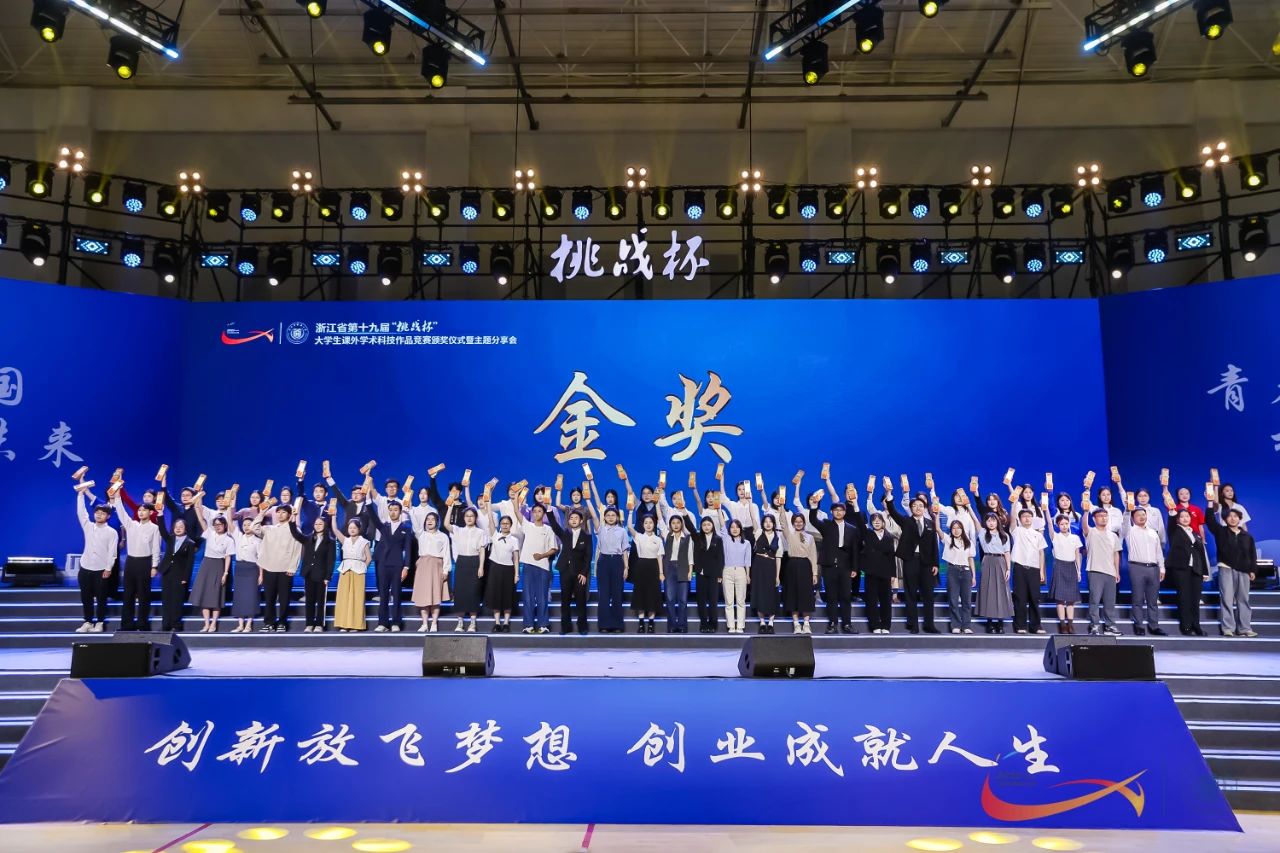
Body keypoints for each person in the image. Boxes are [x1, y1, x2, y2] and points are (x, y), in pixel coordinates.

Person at [883, 487, 939, 634]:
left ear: (925, 508)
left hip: (927, 563)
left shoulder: (930, 523)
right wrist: (889, 494)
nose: (918, 508)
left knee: (928, 595)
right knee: (910, 594)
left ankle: (929, 625)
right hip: (911, 561)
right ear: (911, 508)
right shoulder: (906, 521)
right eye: (914, 506)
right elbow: (893, 511)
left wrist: (935, 564)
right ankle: (913, 625)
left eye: (920, 505)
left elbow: (934, 545)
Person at [810, 484, 862, 634]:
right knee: (831, 596)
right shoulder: (826, 525)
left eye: (841, 510)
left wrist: (855, 568)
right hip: (829, 566)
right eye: (835, 510)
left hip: (846, 566)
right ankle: (832, 624)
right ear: (831, 512)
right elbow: (813, 520)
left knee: (846, 596)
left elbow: (855, 551)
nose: (838, 512)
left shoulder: (852, 529)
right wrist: (814, 506)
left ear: (844, 512)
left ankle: (847, 624)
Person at [1204, 498, 1258, 638]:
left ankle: (1244, 628)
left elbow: (1252, 554)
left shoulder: (1247, 536)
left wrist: (1252, 570)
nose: (1233, 519)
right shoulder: (1221, 531)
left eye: (1235, 516)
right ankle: (1228, 628)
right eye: (1230, 516)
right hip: (1226, 568)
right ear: (1225, 519)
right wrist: (1210, 503)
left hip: (1244, 571)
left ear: (1240, 519)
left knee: (1243, 599)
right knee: (1227, 599)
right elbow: (1209, 520)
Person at [251, 501, 305, 632]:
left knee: (284, 598)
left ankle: (282, 622)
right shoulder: (270, 529)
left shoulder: (294, 529)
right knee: (269, 598)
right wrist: (262, 513)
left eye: (283, 512)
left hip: (285, 569)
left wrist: (292, 567)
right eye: (278, 512)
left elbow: (297, 549)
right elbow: (254, 528)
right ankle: (269, 622)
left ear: (289, 514)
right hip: (269, 567)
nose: (280, 514)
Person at [112, 493, 161, 631]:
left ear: (151, 512)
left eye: (144, 510)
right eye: (139, 510)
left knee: (144, 594)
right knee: (128, 594)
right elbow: (121, 512)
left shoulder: (155, 528)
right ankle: (126, 624)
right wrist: (117, 497)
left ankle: (142, 624)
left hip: (145, 562)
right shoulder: (131, 524)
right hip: (131, 562)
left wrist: (154, 566)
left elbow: (156, 548)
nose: (140, 512)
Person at [511, 498, 558, 634]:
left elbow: (554, 548)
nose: (537, 513)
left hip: (543, 567)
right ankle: (528, 625)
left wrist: (542, 555)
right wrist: (516, 497)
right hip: (528, 566)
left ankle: (543, 625)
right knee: (528, 597)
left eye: (539, 511)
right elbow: (516, 511)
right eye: (535, 511)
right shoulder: (527, 525)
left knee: (542, 597)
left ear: (543, 514)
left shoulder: (548, 530)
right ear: (532, 514)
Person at [189, 493, 235, 632]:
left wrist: (225, 573)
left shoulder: (228, 539)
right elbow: (201, 519)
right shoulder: (209, 532)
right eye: (215, 525)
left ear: (224, 525)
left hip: (219, 565)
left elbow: (228, 557)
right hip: (207, 564)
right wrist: (199, 496)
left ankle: (214, 624)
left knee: (215, 595)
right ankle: (206, 623)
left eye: (220, 524)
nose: (217, 526)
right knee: (204, 593)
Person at [365, 498, 412, 632]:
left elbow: (408, 548)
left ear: (400, 512)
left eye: (395, 510)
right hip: (383, 564)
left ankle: (396, 622)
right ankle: (383, 623)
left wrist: (406, 567)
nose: (393, 512)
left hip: (397, 565)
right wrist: (368, 500)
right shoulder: (384, 526)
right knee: (383, 594)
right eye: (390, 510)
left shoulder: (406, 528)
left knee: (396, 594)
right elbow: (373, 516)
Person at [75, 490, 118, 633]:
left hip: (101, 570)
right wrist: (80, 495)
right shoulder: (88, 526)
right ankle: (87, 621)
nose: (99, 515)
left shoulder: (112, 532)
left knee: (101, 597)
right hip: (85, 567)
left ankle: (99, 622)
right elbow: (81, 513)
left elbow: (112, 552)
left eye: (103, 513)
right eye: (97, 512)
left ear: (108, 516)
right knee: (86, 597)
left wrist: (108, 568)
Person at [1122, 506, 1166, 636]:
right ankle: (1139, 625)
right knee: (1138, 598)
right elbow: (1125, 521)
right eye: (1138, 515)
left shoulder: (1153, 532)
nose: (1142, 517)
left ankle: (1154, 626)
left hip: (1153, 568)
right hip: (1137, 567)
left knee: (1153, 600)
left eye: (1143, 514)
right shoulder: (1130, 531)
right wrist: (1128, 509)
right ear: (1133, 518)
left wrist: (1162, 567)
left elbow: (1158, 552)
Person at [443, 504, 488, 633]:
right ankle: (460, 622)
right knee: (460, 592)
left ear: (475, 518)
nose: (469, 518)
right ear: (463, 518)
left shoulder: (480, 532)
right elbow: (446, 524)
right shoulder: (458, 530)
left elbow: (482, 550)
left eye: (472, 516)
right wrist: (450, 507)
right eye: (467, 516)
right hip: (461, 561)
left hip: (474, 561)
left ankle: (472, 623)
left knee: (474, 592)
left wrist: (481, 566)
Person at [548, 508, 593, 635]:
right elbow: (554, 526)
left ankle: (582, 627)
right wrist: (549, 509)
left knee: (581, 600)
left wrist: (584, 573)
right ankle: (565, 627)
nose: (573, 520)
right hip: (565, 571)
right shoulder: (565, 534)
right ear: (568, 521)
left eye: (576, 518)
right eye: (571, 518)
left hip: (579, 573)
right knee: (565, 599)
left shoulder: (587, 537)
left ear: (581, 520)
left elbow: (588, 556)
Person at [1166, 507, 1208, 636]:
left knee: (1195, 599)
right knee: (1184, 598)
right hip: (1181, 569)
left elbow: (1201, 553)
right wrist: (1172, 511)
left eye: (1187, 516)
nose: (1185, 519)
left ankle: (1196, 625)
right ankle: (1186, 627)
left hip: (1196, 570)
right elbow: (1171, 520)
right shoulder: (1175, 530)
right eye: (1182, 517)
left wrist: (1205, 571)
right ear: (1178, 519)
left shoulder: (1194, 533)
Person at [588, 503, 629, 633]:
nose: (610, 517)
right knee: (603, 595)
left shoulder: (622, 531)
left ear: (617, 517)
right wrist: (588, 500)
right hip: (603, 561)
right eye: (608, 515)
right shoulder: (600, 529)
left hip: (617, 561)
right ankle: (604, 625)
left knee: (617, 594)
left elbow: (624, 551)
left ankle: (617, 625)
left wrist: (626, 567)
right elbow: (594, 516)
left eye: (613, 515)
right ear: (604, 517)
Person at [1082, 505, 1122, 636]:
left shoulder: (1113, 535)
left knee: (1110, 602)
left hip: (1110, 572)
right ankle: (1094, 625)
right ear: (1094, 519)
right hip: (1095, 570)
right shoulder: (1091, 532)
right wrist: (1086, 512)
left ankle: (1110, 626)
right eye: (1100, 516)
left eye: (1105, 516)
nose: (1103, 518)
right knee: (1094, 600)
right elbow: (1084, 526)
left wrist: (1117, 571)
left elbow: (1116, 554)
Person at [410, 509, 450, 633]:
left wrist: (446, 570)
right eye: (428, 519)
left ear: (437, 522)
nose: (430, 521)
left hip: (436, 566)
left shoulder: (443, 536)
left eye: (433, 519)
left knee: (435, 595)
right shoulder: (421, 534)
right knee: (423, 596)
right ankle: (424, 624)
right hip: (423, 566)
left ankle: (434, 623)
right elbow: (415, 523)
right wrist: (409, 508)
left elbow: (446, 554)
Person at [1009, 508, 1047, 634]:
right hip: (1020, 567)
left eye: (1029, 516)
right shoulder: (1017, 531)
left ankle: (1036, 626)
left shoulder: (1038, 535)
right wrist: (1013, 503)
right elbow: (1012, 519)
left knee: (1034, 598)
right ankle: (1020, 625)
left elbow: (1041, 553)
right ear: (1020, 519)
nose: (1027, 518)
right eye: (1024, 516)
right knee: (1020, 597)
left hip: (1034, 569)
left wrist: (1041, 571)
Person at [331, 511, 371, 632]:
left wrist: (363, 568)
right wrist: (333, 516)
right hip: (345, 570)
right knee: (343, 597)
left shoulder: (364, 542)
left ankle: (355, 625)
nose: (352, 530)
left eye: (354, 528)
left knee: (357, 599)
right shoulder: (345, 540)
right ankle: (343, 624)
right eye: (350, 528)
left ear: (359, 529)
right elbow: (335, 530)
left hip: (358, 572)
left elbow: (369, 558)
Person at [779, 512, 819, 634]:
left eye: (800, 521)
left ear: (804, 523)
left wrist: (814, 573)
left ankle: (806, 624)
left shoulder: (810, 537)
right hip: (792, 566)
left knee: (806, 594)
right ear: (793, 523)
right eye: (796, 521)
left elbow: (813, 555)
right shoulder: (789, 535)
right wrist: (781, 507)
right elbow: (783, 523)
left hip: (805, 566)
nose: (798, 523)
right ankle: (796, 624)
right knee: (793, 594)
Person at [937, 516, 976, 634]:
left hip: (966, 571)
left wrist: (974, 576)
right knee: (953, 600)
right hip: (953, 571)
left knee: (966, 601)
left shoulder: (968, 542)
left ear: (962, 529)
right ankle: (956, 625)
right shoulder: (948, 540)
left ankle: (966, 625)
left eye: (958, 528)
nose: (956, 530)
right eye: (954, 528)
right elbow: (938, 529)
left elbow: (971, 559)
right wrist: (936, 514)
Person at [484, 509, 521, 632]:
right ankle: (497, 622)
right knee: (495, 595)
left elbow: (516, 558)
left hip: (509, 569)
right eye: (503, 523)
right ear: (500, 525)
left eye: (507, 523)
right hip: (495, 568)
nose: (505, 525)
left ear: (511, 525)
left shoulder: (514, 540)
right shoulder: (495, 535)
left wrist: (516, 574)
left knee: (507, 595)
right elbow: (490, 520)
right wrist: (488, 502)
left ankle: (506, 622)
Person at [297, 514, 335, 632]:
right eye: (316, 524)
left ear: (325, 526)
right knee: (309, 600)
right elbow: (295, 534)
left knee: (321, 601)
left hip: (322, 575)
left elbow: (331, 561)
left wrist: (328, 576)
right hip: (309, 573)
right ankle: (309, 624)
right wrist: (293, 519)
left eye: (320, 524)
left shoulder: (330, 541)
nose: (318, 526)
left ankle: (319, 624)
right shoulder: (309, 538)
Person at [976, 513, 1013, 633]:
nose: (991, 523)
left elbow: (1007, 552)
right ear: (985, 523)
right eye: (988, 521)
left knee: (1001, 591)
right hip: (987, 561)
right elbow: (975, 520)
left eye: (993, 520)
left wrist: (1008, 569)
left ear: (997, 521)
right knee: (988, 592)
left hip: (1000, 561)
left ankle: (1000, 623)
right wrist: (969, 507)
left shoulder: (1004, 535)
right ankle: (990, 623)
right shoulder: (982, 533)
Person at [860, 512, 897, 634]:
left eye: (879, 520)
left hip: (885, 572)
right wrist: (855, 505)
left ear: (883, 522)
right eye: (874, 520)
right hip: (871, 572)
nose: (876, 522)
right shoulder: (868, 534)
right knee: (871, 599)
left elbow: (892, 557)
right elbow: (860, 523)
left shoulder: (889, 536)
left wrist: (893, 574)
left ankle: (886, 625)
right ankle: (875, 625)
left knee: (886, 600)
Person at [629, 511, 664, 633]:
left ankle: (651, 623)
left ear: (654, 524)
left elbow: (660, 557)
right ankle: (641, 623)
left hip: (654, 567)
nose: (648, 525)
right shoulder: (639, 537)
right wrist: (630, 512)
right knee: (641, 594)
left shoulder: (658, 539)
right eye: (646, 523)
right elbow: (629, 527)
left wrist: (661, 573)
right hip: (641, 567)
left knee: (652, 594)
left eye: (651, 523)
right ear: (643, 524)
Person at [1048, 514, 1083, 634]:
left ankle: (1070, 624)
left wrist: (1079, 571)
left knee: (1071, 600)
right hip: (1059, 566)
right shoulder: (1055, 536)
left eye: (1066, 523)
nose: (1064, 526)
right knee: (1060, 600)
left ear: (1069, 524)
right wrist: (1046, 510)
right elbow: (1049, 523)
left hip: (1071, 567)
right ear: (1058, 525)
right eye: (1061, 524)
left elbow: (1077, 555)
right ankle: (1062, 624)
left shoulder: (1075, 538)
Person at [661, 514, 694, 633]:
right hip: (669, 569)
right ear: (670, 525)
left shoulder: (688, 537)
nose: (676, 525)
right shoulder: (667, 535)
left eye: (678, 523)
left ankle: (682, 626)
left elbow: (690, 555)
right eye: (673, 523)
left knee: (683, 600)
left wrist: (690, 571)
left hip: (683, 568)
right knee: (670, 599)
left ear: (682, 524)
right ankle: (672, 626)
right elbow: (660, 520)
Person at [691, 516, 725, 633]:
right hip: (701, 573)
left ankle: (713, 623)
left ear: (712, 526)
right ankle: (704, 623)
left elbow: (720, 558)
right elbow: (690, 527)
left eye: (708, 524)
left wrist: (720, 574)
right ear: (701, 526)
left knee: (713, 600)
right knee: (701, 599)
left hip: (714, 574)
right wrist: (684, 513)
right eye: (704, 525)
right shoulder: (697, 538)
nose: (706, 527)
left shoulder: (718, 539)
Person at [750, 515, 783, 633]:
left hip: (771, 567)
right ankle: (762, 622)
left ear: (774, 524)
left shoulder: (778, 537)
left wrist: (777, 576)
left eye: (770, 522)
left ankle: (771, 622)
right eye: (765, 522)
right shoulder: (758, 532)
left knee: (772, 593)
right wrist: (749, 504)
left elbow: (778, 557)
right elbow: (753, 518)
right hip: (758, 566)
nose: (768, 524)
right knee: (759, 592)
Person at [229, 516, 261, 633]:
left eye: (249, 525)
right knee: (239, 597)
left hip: (252, 569)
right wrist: (230, 507)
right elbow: (229, 522)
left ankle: (248, 625)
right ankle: (240, 625)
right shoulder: (238, 536)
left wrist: (261, 575)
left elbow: (260, 559)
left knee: (251, 596)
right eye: (244, 525)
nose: (246, 527)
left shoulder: (258, 541)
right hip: (239, 568)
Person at [721, 520, 752, 635]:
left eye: (737, 527)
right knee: (729, 601)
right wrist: (718, 510)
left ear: (740, 529)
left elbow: (747, 561)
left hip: (741, 571)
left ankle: (740, 626)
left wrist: (748, 575)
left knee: (740, 600)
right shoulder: (726, 539)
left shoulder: (747, 543)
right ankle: (731, 626)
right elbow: (722, 524)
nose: (734, 529)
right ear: (729, 529)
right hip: (727, 570)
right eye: (732, 527)